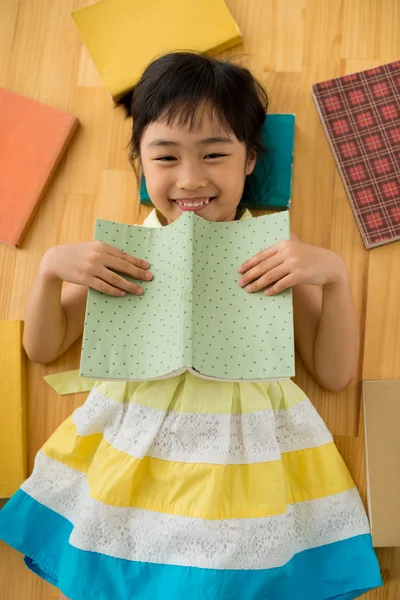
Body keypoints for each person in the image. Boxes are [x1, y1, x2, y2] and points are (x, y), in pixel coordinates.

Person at [0, 52, 382, 600]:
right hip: (134, 451)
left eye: (215, 155)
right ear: (140, 164)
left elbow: (335, 374)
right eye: (165, 157)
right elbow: (43, 348)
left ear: (250, 160)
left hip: (249, 461)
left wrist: (336, 279)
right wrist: (48, 273)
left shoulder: (271, 256)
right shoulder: (130, 252)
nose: (190, 179)